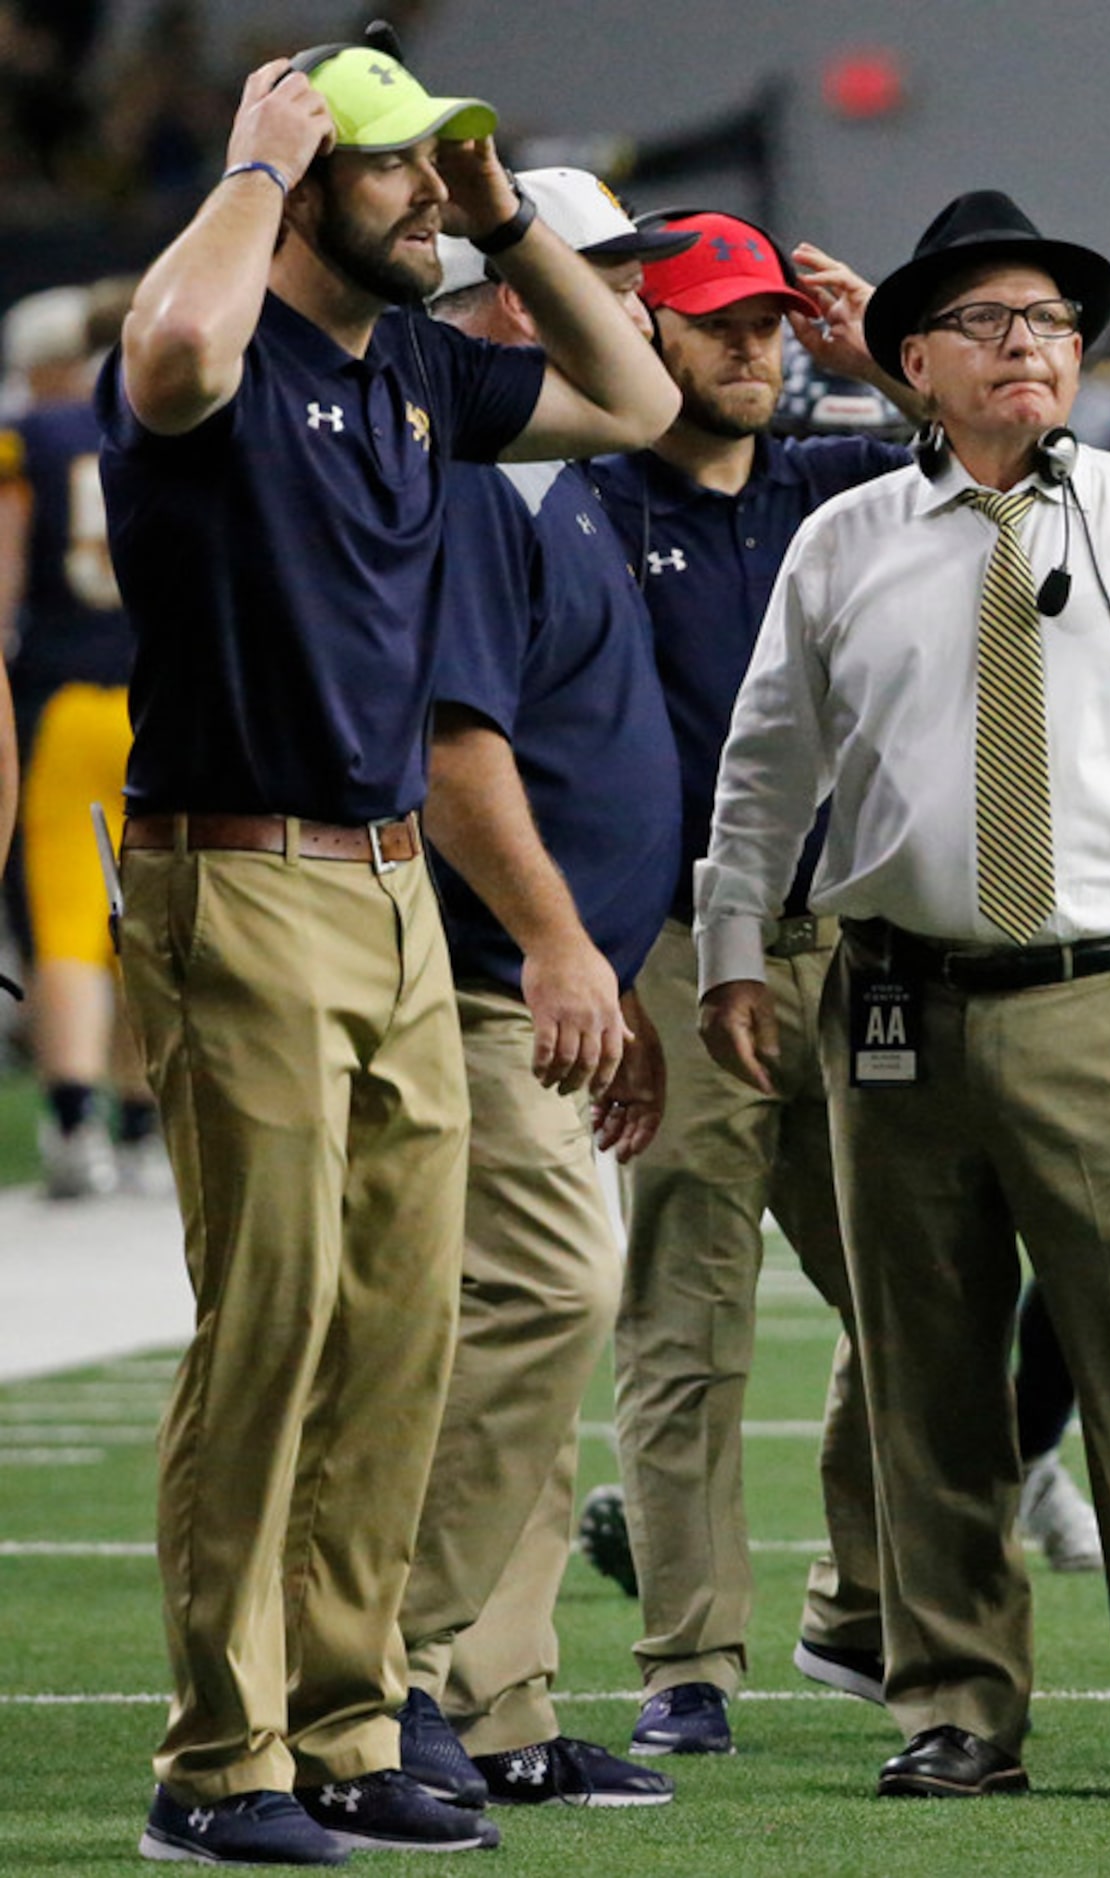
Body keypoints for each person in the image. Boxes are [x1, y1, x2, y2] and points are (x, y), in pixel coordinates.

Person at [695, 189, 1110, 1804]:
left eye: (1051, 324)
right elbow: (764, 767)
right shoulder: (840, 539)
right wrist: (728, 946)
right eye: (988, 325)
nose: (1029, 350)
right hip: (895, 1003)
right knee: (926, 1371)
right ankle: (954, 1702)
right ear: (909, 360)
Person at [102, 36, 677, 1864]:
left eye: (445, 170)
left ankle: (353, 1721)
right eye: (399, 169)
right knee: (271, 1325)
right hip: (238, 870)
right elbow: (174, 353)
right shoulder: (221, 342)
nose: (429, 193)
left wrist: (510, 216)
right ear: (306, 178)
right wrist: (255, 164)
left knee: (402, 1330)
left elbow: (638, 396)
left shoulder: (422, 357)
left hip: (388, 884)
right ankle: (219, 1760)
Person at [381, 166, 692, 1818]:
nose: (633, 306)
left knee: (540, 1345)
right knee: (537, 1304)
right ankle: (398, 1671)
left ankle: (497, 1700)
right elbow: (456, 745)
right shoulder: (477, 487)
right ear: (515, 302)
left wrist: (612, 961)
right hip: (486, 977)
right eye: (609, 277)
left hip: (556, 973)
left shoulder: (554, 477)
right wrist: (563, 945)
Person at [588, 209, 911, 1756]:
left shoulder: (836, 480)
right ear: (642, 332)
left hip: (846, 935)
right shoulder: (583, 501)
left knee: (914, 1291)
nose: (753, 347)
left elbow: (1011, 469)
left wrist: (891, 369)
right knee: (686, 1313)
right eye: (718, 320)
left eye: (771, 322)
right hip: (669, 943)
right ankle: (686, 1657)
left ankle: (856, 1601)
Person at [0, 279, 159, 1199]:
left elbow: (6, 586)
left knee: (66, 918)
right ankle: (141, 1123)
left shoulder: (32, 439)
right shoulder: (158, 413)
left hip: (63, 700)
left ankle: (73, 1122)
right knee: (145, 920)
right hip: (158, 699)